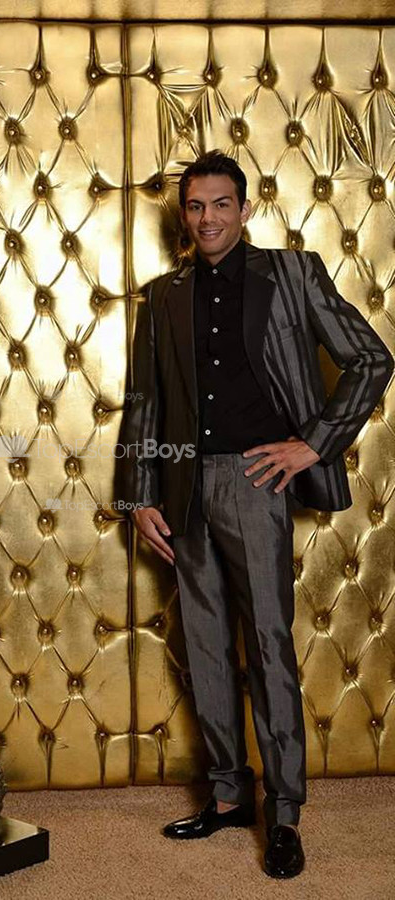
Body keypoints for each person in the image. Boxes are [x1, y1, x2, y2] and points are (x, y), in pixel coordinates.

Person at [116, 150, 393, 878]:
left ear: (244, 208)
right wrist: (139, 493)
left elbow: (371, 359)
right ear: (185, 215)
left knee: (268, 643)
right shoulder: (163, 296)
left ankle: (285, 812)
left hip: (256, 480)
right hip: (182, 484)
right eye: (196, 206)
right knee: (206, 644)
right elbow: (145, 400)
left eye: (221, 204)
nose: (208, 218)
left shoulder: (293, 275)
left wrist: (314, 444)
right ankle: (228, 796)